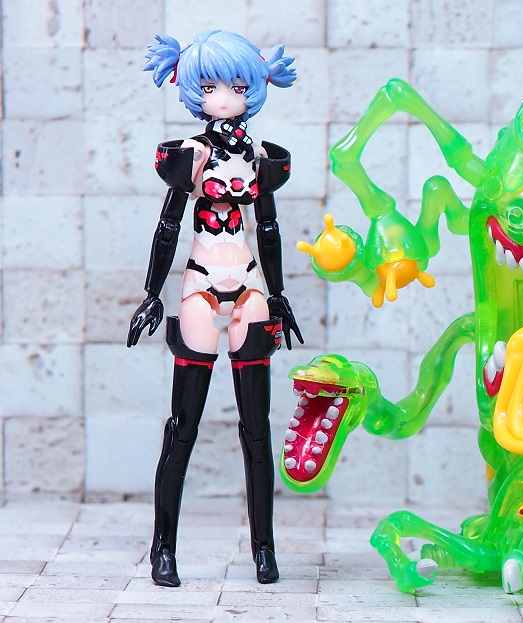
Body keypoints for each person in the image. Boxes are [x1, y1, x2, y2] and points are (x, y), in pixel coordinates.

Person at [127, 30, 302, 587]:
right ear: (191, 90)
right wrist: (152, 292)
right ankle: (163, 549)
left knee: (257, 427)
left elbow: (268, 229)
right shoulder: (192, 155)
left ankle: (264, 550)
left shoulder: (260, 156)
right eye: (210, 87)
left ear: (255, 87)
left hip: (249, 284)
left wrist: (279, 295)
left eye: (236, 87)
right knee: (183, 425)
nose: (224, 98)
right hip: (200, 282)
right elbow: (167, 226)